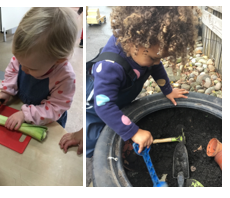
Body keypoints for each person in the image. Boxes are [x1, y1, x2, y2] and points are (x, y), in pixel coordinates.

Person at [85, 7, 198, 184]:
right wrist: (134, 131)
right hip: (96, 107)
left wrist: (167, 90)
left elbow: (156, 67)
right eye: (153, 58)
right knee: (93, 140)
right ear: (132, 41)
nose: (156, 63)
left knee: (117, 122)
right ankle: (89, 164)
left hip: (118, 101)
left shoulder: (146, 49)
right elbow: (103, 106)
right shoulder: (110, 67)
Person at [0, 7, 78, 131]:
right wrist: (7, 90)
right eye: (20, 62)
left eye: (31, 68)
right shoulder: (25, 59)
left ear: (58, 60)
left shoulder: (65, 78)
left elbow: (55, 108)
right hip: (22, 106)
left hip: (48, 122)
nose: (23, 69)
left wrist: (25, 114)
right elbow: (13, 70)